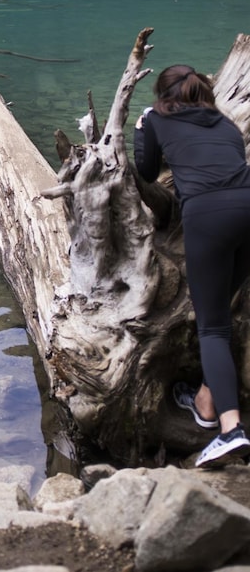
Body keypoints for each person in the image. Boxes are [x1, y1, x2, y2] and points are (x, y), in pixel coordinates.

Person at [134, 64, 250, 468]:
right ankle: (205, 402)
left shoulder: (156, 118)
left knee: (212, 326)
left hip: (209, 217)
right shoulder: (227, 124)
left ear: (163, 96)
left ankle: (230, 431)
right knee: (220, 315)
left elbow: (146, 171)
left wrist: (138, 129)